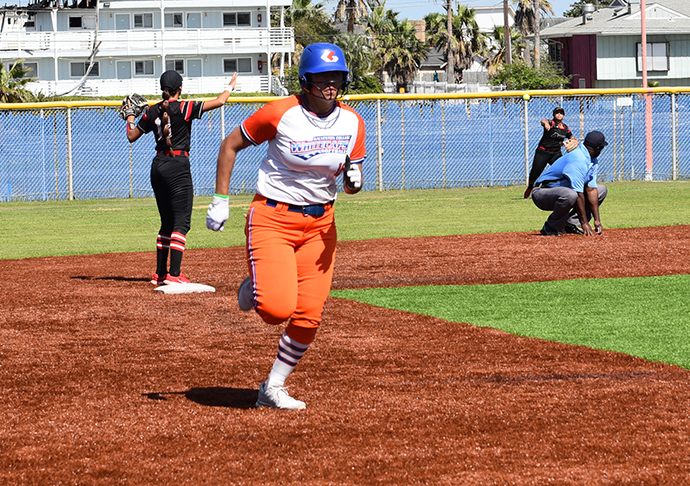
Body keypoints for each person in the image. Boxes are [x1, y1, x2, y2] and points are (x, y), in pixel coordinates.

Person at [206, 43, 365, 410]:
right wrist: (221, 199)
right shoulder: (281, 112)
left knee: (310, 314)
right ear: (306, 79)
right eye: (324, 76)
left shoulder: (352, 121)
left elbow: (352, 181)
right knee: (275, 310)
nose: (331, 83)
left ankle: (272, 387)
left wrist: (354, 180)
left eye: (337, 76)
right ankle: (256, 285)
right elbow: (230, 144)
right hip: (273, 217)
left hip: (322, 225)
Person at [125, 70, 237, 285]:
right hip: (177, 165)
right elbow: (221, 101)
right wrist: (231, 85)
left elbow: (131, 136)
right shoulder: (185, 107)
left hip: (157, 166)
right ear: (180, 89)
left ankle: (160, 273)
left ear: (161, 89)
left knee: (166, 222)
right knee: (181, 223)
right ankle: (174, 275)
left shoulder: (151, 111)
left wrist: (131, 117)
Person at [531, 130, 608, 236]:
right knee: (571, 195)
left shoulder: (592, 160)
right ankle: (550, 227)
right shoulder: (578, 159)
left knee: (601, 190)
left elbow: (591, 189)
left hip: (563, 192)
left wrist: (597, 220)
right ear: (598, 148)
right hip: (542, 192)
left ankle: (570, 223)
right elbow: (578, 193)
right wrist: (584, 223)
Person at [524, 107, 576, 199]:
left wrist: (567, 142)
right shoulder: (551, 123)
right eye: (557, 113)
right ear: (554, 115)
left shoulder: (565, 128)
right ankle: (530, 187)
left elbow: (572, 138)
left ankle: (562, 188)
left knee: (563, 170)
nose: (559, 114)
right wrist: (545, 124)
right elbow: (543, 121)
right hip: (543, 151)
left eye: (561, 113)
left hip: (556, 153)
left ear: (563, 115)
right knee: (535, 172)